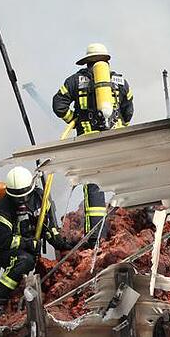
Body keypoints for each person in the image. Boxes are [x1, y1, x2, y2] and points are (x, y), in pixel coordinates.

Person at [52, 43, 134, 245]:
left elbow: (58, 104)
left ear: (87, 62)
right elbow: (129, 111)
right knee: (129, 179)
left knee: (94, 187)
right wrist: (120, 127)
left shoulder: (75, 81)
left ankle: (97, 236)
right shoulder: (121, 81)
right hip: (115, 140)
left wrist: (75, 119)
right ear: (106, 61)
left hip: (90, 144)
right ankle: (142, 219)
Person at [0, 166, 74, 318]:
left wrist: (59, 243)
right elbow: (3, 241)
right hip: (8, 251)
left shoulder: (41, 199)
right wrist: (27, 243)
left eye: (25, 196)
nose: (22, 201)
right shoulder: (1, 210)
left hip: (31, 247)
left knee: (30, 261)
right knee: (25, 261)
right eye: (17, 198)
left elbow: (48, 227)